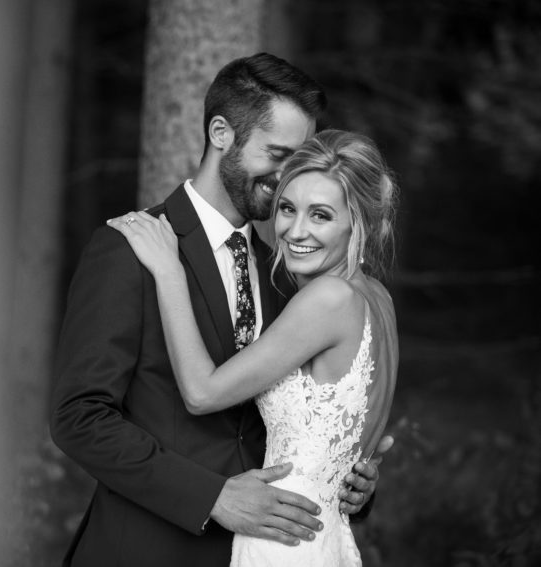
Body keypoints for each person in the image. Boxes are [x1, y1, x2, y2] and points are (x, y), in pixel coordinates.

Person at [50, 53, 391, 567]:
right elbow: (79, 418)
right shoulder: (131, 248)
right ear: (221, 133)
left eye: (299, 159)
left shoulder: (285, 271)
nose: (288, 177)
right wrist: (211, 497)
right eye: (278, 154)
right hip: (143, 550)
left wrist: (343, 478)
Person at [107, 129, 399, 566]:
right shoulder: (376, 298)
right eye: (287, 208)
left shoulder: (327, 300)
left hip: (279, 538)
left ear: (360, 223)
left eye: (320, 215)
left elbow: (202, 393)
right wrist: (356, 481)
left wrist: (170, 272)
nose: (294, 230)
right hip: (320, 535)